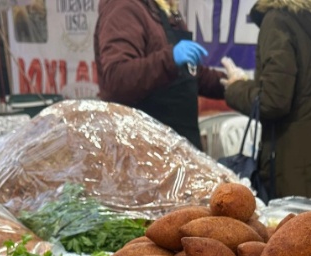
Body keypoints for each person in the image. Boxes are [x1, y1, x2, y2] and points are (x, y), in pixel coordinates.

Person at [222, 0, 311, 202]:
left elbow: (273, 101)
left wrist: (236, 86)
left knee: (298, 231)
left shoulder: (279, 20)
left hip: (293, 157)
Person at [94, 0, 227, 149]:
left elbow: (189, 73)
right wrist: (170, 58)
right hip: (142, 151)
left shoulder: (164, 10)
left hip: (179, 146)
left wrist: (231, 85)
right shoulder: (123, 7)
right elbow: (117, 79)